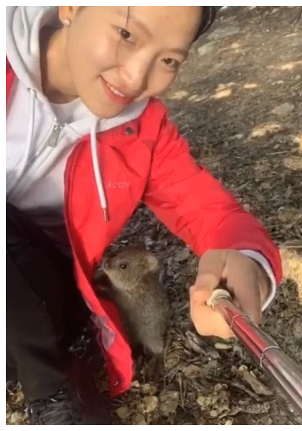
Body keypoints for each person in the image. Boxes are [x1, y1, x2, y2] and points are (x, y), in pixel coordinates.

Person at [6, 6, 283, 424]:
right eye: (126, 34)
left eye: (169, 60)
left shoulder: (144, 134)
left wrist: (249, 266)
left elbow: (210, 211)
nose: (135, 78)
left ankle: (54, 388)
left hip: (43, 289)